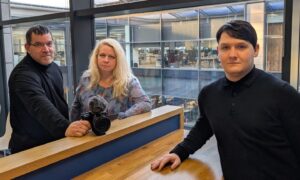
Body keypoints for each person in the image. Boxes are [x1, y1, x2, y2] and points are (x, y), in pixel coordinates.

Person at [151, 20, 300, 179]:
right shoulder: (209, 94)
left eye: (241, 46)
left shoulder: (282, 93)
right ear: (218, 51)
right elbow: (204, 126)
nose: (233, 54)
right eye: (225, 47)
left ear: (255, 50)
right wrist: (180, 152)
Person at [8, 25, 91, 154]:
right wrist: (65, 127)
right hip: (30, 150)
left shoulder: (54, 68)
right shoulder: (22, 75)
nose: (46, 49)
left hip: (56, 142)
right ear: (27, 48)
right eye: (38, 45)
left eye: (49, 43)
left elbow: (59, 104)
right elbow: (39, 105)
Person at [70, 38, 151, 121]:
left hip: (118, 131)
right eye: (102, 55)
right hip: (87, 132)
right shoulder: (86, 78)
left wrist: (125, 115)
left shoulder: (129, 81)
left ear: (118, 60)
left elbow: (145, 104)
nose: (106, 60)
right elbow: (76, 107)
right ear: (96, 57)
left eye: (111, 57)